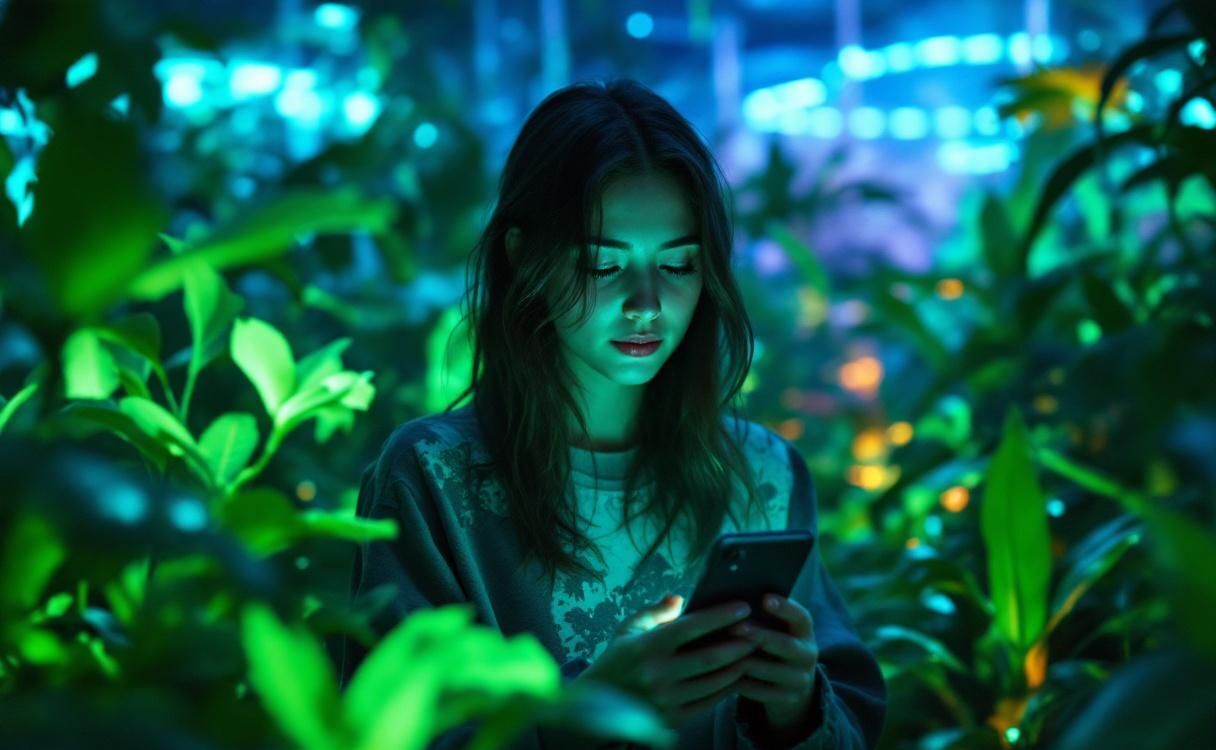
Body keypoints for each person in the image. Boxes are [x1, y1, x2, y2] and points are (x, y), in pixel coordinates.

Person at [338, 78, 886, 749]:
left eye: (678, 265)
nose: (647, 302)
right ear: (523, 254)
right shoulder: (432, 477)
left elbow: (852, 725)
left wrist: (795, 706)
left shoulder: (761, 475)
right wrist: (588, 715)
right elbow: (385, 733)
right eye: (604, 266)